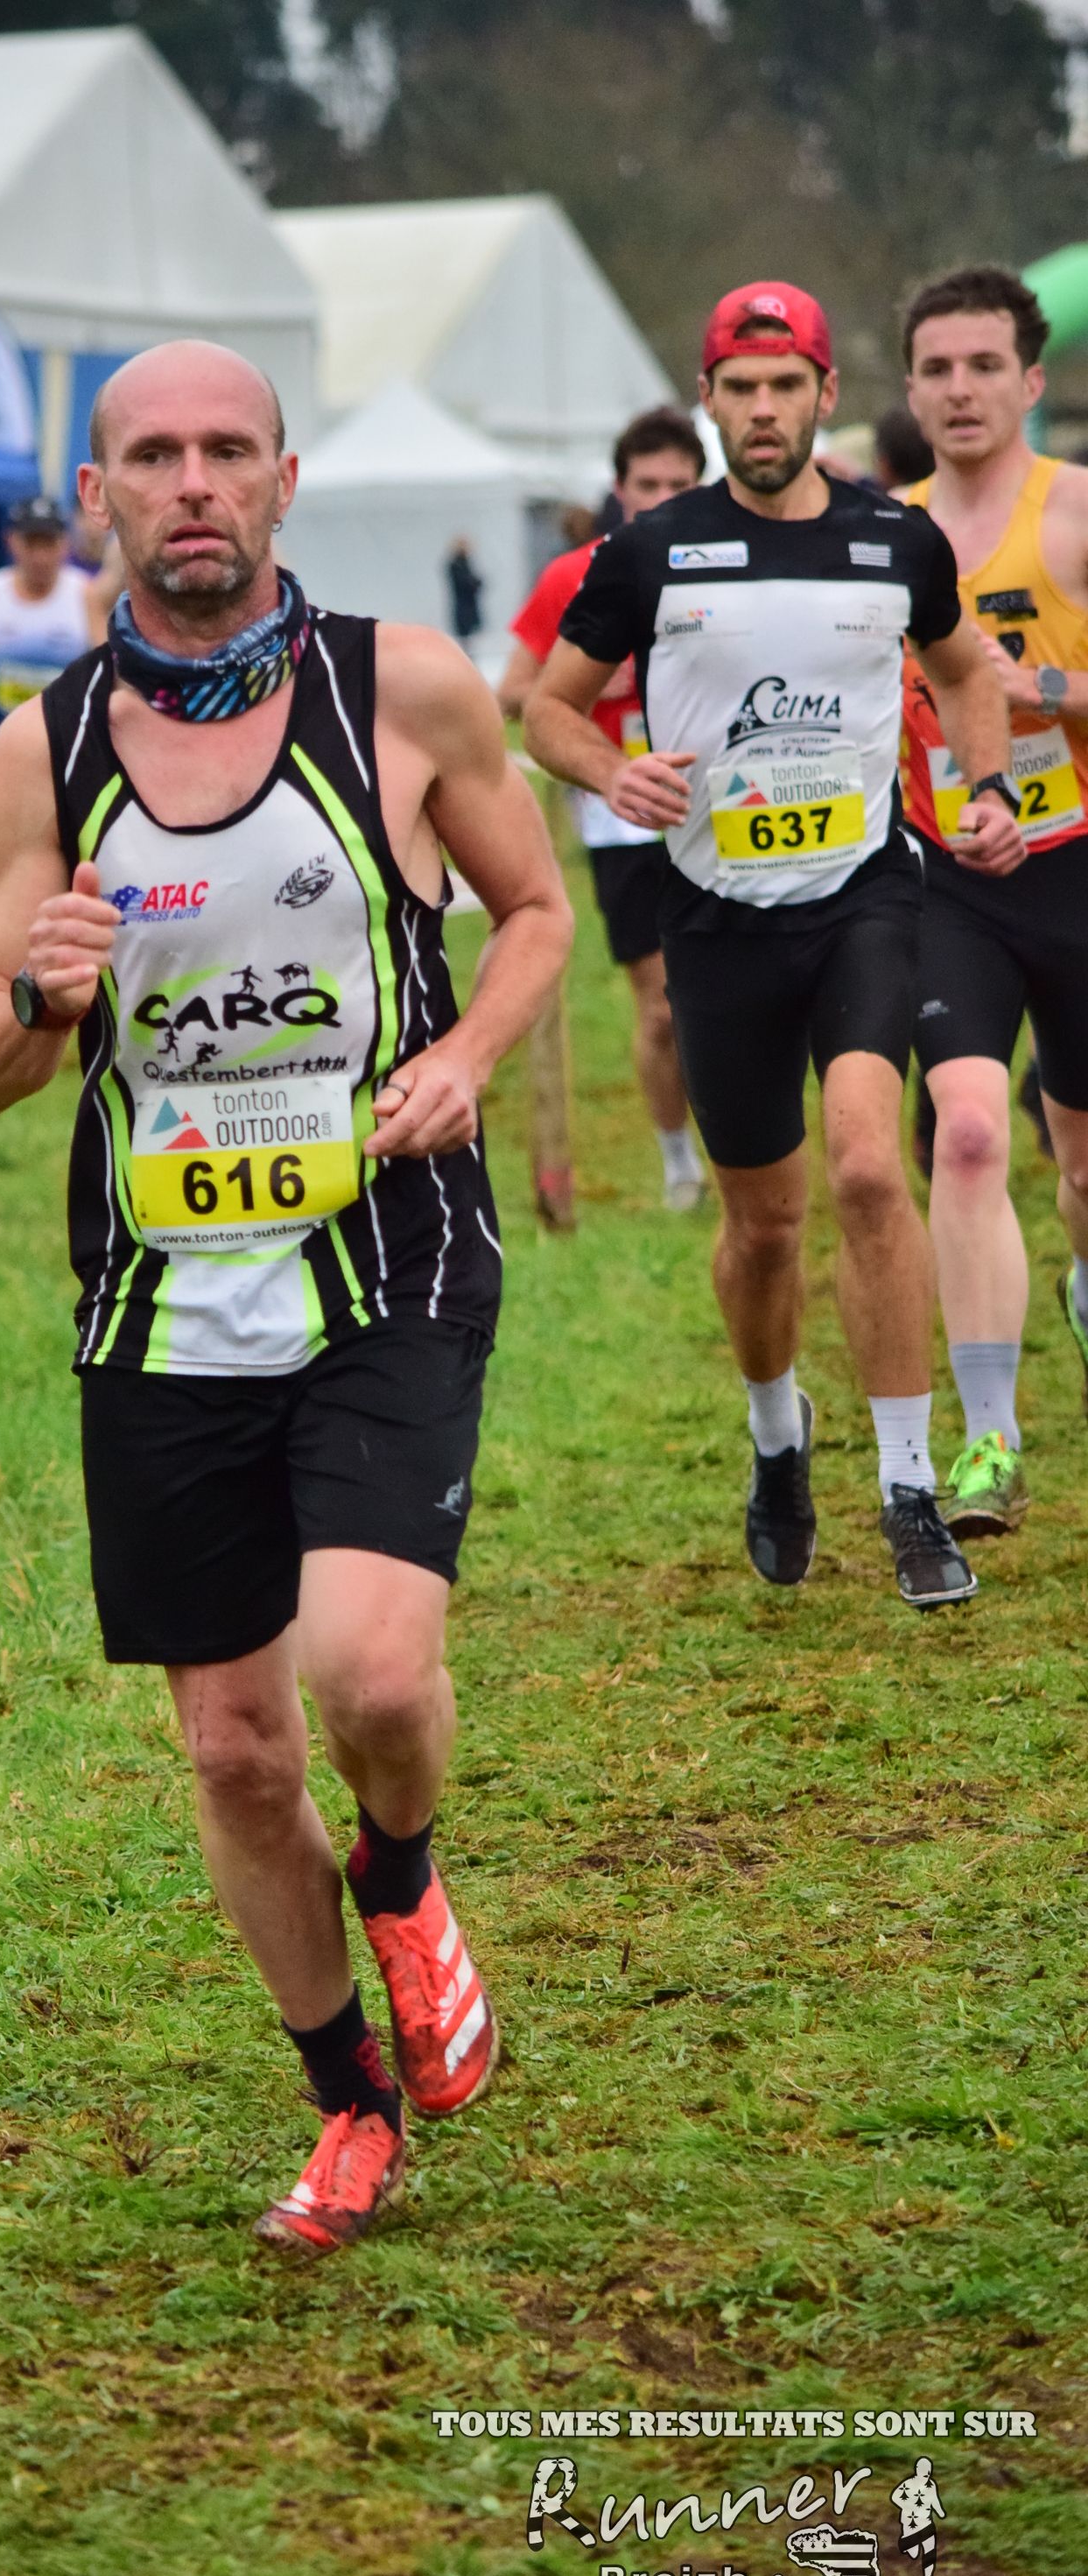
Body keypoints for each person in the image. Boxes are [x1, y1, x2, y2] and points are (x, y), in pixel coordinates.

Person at [0, 339, 572, 2256]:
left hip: (388, 1253)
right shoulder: (42, 750)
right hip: (160, 1297)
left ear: (285, 481)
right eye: (155, 454)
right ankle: (346, 2099)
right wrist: (38, 991)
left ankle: (403, 1871)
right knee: (229, 1745)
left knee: (367, 1668)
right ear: (99, 496)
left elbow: (538, 911)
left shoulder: (406, 688)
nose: (194, 481)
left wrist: (465, 1053)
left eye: (229, 448)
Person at [525, 280, 1026, 1608]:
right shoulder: (650, 550)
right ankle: (775, 1437)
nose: (761, 410)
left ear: (821, 392)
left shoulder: (893, 538)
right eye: (738, 389)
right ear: (708, 399)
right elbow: (547, 708)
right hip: (715, 918)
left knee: (866, 1165)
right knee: (762, 1229)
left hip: (863, 899)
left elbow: (963, 671)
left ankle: (907, 1487)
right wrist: (611, 770)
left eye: (784, 386)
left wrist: (984, 786)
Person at [898, 265, 1088, 1534]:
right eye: (936, 369)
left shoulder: (1071, 513)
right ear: (907, 391)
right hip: (947, 875)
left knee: (1080, 1161)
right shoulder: (878, 534)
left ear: (1029, 382)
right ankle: (989, 1445)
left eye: (982, 367)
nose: (959, 390)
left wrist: (1043, 690)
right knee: (964, 1133)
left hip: (1077, 861)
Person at [500, 405, 709, 1208]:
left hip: (723, 806)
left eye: (679, 485)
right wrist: (592, 682)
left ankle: (745, 1145)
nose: (660, 500)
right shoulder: (574, 576)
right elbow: (514, 692)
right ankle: (678, 1159)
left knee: (728, 999)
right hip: (621, 817)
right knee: (662, 1010)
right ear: (619, 490)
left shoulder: (726, 566)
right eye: (646, 485)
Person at [0, 496, 109, 754]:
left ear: (65, 543)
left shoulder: (84, 594)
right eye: (31, 543)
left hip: (65, 733)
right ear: (10, 541)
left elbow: (105, 665)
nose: (40, 556)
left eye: (48, 543)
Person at [446, 537, 484, 647]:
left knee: (468, 637)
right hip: (463, 606)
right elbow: (466, 582)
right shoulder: (456, 565)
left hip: (467, 605)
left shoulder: (464, 564)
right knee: (464, 636)